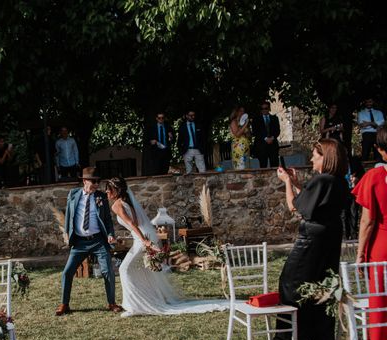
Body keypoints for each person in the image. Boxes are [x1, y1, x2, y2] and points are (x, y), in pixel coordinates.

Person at [272, 139, 349, 340]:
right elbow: (312, 202)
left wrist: (286, 182)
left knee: (291, 283)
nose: (311, 159)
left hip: (311, 240)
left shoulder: (321, 179)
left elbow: (297, 208)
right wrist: (297, 183)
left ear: (326, 157)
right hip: (330, 236)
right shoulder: (336, 181)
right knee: (322, 286)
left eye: (315, 155)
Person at [105, 176, 227, 317]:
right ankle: (144, 301)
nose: (107, 193)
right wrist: (128, 239)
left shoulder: (116, 205)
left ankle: (133, 307)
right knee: (139, 270)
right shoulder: (127, 202)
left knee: (124, 269)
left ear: (116, 190)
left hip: (143, 239)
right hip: (142, 237)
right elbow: (135, 224)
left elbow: (133, 225)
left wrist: (144, 241)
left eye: (108, 190)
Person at [56, 167, 122, 315]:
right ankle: (64, 304)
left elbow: (107, 220)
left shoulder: (101, 197)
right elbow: (68, 216)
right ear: (85, 181)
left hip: (98, 241)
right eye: (94, 181)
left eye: (98, 182)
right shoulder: (73, 194)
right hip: (79, 242)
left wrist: (110, 234)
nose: (97, 184)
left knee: (108, 272)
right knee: (67, 272)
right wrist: (67, 234)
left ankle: (111, 303)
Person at [352, 126, 387, 340]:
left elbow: (367, 222)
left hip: (382, 247)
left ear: (380, 150)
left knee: (380, 300)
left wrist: (360, 254)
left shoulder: (375, 177)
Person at [252, 101, 281, 168]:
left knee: (274, 165)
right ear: (261, 110)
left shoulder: (274, 118)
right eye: (262, 108)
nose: (264, 110)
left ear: (269, 109)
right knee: (263, 166)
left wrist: (272, 138)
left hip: (273, 145)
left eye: (266, 108)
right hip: (261, 146)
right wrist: (265, 139)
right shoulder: (256, 119)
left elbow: (277, 131)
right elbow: (255, 132)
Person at [357, 98, 385, 162]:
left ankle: (379, 168)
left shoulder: (379, 112)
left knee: (378, 153)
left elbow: (382, 123)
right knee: (365, 153)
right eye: (367, 102)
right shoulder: (361, 113)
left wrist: (368, 123)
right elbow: (362, 125)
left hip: (377, 134)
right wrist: (376, 124)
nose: (369, 103)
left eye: (370, 101)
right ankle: (363, 170)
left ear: (373, 102)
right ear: (365, 103)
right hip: (366, 134)